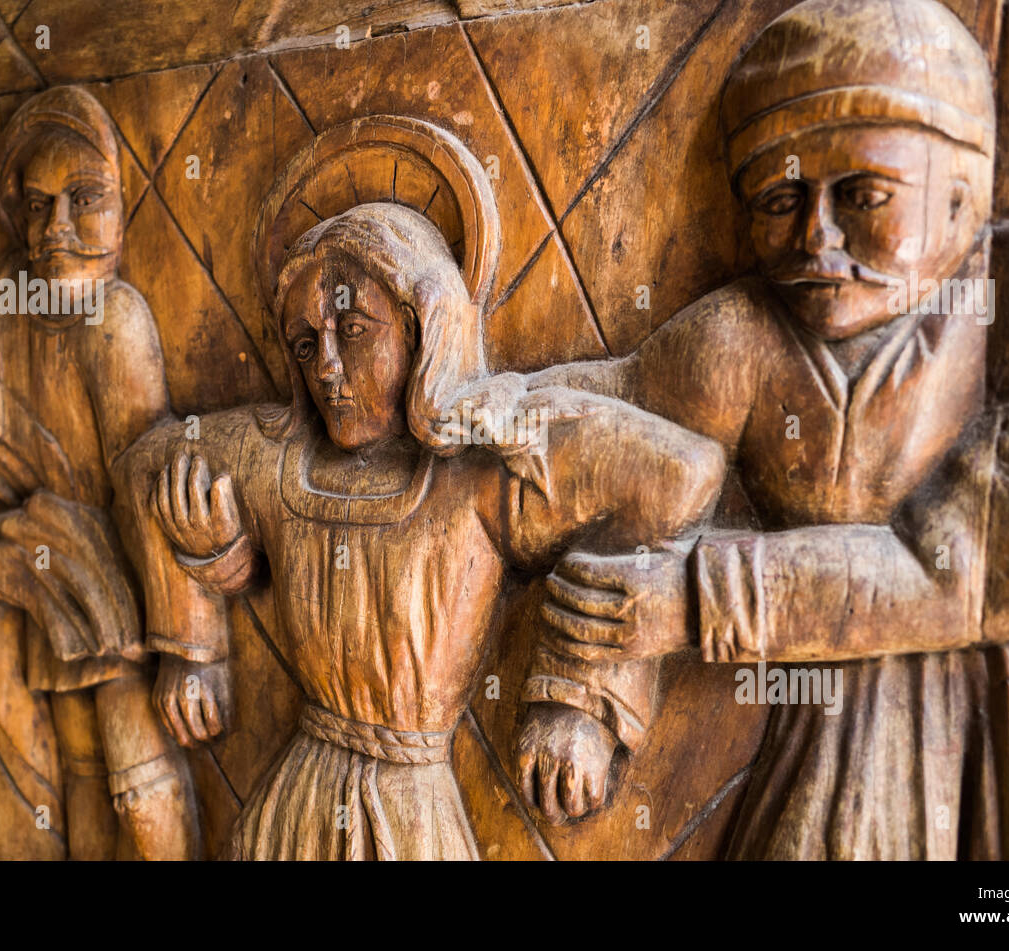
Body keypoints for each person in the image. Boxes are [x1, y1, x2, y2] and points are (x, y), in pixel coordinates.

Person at [523, 0, 1009, 860]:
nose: (816, 236)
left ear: (966, 195)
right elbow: (630, 457)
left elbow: (968, 566)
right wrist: (581, 696)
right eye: (779, 199)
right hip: (846, 735)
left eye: (864, 194)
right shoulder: (740, 340)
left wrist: (701, 597)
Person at [112, 200, 725, 859]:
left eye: (353, 329)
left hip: (410, 809)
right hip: (297, 802)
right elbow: (143, 465)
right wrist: (193, 638)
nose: (325, 366)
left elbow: (681, 473)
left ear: (422, 327)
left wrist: (581, 690)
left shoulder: (475, 473)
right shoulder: (281, 462)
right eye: (304, 343)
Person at [0, 87, 200, 860]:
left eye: (83, 199)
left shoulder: (116, 321)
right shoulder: (3, 327)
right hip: (49, 582)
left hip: (116, 590)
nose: (55, 228)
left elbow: (152, 486)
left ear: (124, 204)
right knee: (83, 774)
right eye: (36, 205)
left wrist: (192, 647)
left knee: (138, 777)